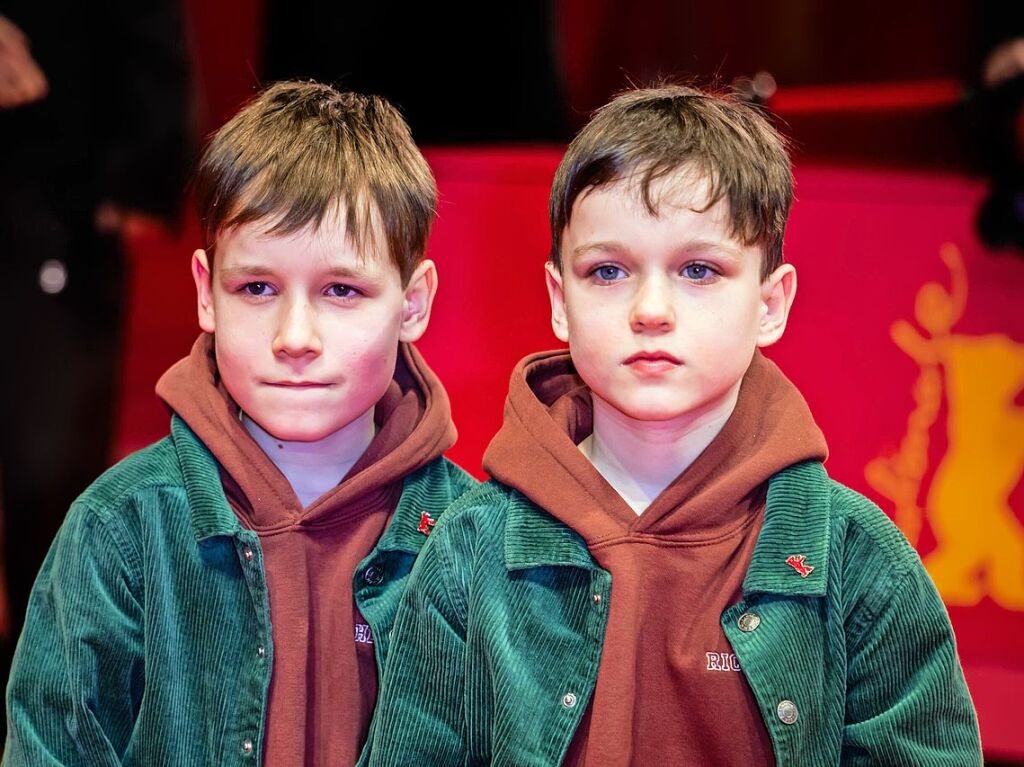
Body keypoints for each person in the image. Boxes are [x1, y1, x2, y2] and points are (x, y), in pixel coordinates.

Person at [363, 85, 982, 765]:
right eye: (608, 270)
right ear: (558, 301)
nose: (651, 308)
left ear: (770, 303)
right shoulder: (467, 552)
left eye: (698, 269)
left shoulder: (859, 563)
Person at [4, 80, 474, 765]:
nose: (295, 335)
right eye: (257, 288)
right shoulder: (118, 530)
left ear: (413, 303)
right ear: (205, 292)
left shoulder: (475, 539)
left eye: (341, 290)